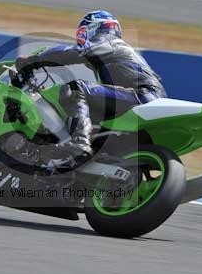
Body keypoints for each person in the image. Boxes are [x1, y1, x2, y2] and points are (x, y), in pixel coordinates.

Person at [15, 10, 166, 163]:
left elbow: (79, 52)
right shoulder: (115, 51)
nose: (80, 38)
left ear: (95, 27)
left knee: (76, 88)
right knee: (88, 116)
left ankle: (80, 142)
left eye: (82, 33)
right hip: (142, 97)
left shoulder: (110, 42)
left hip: (142, 96)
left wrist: (35, 60)